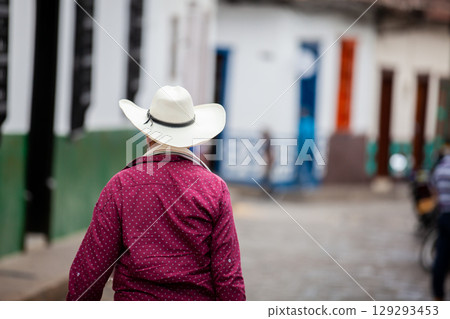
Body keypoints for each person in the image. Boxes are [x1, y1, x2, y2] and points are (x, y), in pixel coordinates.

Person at [66, 86, 246, 301]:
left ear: (147, 134)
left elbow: (90, 271)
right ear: (192, 139)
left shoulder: (121, 185)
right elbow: (228, 277)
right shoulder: (214, 188)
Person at [431, 146, 450, 300]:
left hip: (444, 216)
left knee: (441, 257)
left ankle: (438, 295)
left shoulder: (440, 168)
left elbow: (434, 191)